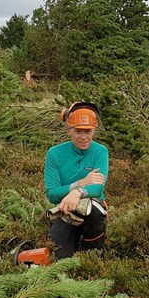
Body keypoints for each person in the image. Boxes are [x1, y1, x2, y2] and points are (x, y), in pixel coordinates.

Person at [44, 102, 109, 259]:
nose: (84, 137)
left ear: (94, 131)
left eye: (88, 131)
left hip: (92, 212)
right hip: (65, 212)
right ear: (69, 131)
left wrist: (77, 193)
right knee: (59, 258)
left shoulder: (100, 151)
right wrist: (78, 184)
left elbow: (98, 189)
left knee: (94, 207)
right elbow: (52, 194)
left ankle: (92, 252)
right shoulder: (54, 154)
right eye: (78, 131)